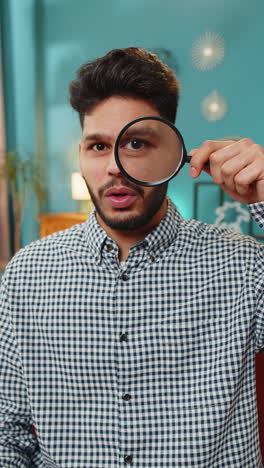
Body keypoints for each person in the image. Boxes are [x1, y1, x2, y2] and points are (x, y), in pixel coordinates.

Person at [0, 47, 264, 468]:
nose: (114, 168)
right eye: (98, 146)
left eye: (136, 144)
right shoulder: (27, 273)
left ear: (174, 154)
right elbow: (7, 433)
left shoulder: (244, 265)